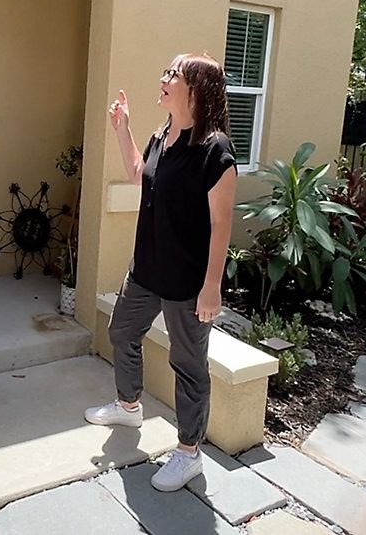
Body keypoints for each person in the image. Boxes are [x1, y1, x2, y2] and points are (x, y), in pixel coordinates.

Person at [84, 53, 237, 491]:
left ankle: (189, 453)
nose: (163, 78)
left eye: (173, 74)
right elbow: (138, 173)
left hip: (189, 282)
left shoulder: (214, 150)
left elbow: (222, 224)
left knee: (187, 365)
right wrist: (122, 129)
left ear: (196, 90)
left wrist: (212, 286)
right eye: (166, 70)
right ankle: (129, 405)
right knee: (121, 331)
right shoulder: (163, 134)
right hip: (147, 269)